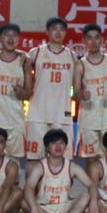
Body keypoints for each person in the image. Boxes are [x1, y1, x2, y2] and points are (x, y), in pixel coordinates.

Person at [23, 128, 94, 213]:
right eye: (53, 143)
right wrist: (33, 208)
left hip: (65, 210)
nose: (58, 146)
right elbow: (29, 188)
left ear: (65, 146)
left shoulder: (72, 166)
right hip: (44, 209)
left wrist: (94, 203)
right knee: (24, 201)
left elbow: (92, 185)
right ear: (47, 147)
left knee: (86, 196)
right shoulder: (40, 166)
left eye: (61, 143)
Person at [26, 17, 76, 163]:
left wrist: (76, 93)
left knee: (63, 161)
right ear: (47, 32)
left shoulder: (72, 56)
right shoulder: (35, 53)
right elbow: (23, 76)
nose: (58, 32)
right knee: (34, 159)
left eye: (62, 29)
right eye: (54, 29)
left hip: (63, 114)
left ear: (65, 33)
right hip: (37, 113)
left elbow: (76, 85)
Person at [0, 23, 32, 164]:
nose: (10, 39)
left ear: (19, 39)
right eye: (6, 35)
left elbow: (28, 93)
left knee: (13, 164)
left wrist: (22, 93)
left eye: (14, 35)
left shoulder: (24, 62)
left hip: (15, 121)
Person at [73, 24, 107, 162]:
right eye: (89, 38)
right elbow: (75, 93)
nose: (93, 42)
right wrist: (81, 95)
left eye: (96, 38)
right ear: (84, 41)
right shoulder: (80, 65)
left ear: (102, 40)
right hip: (88, 119)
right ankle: (92, 178)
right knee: (91, 160)